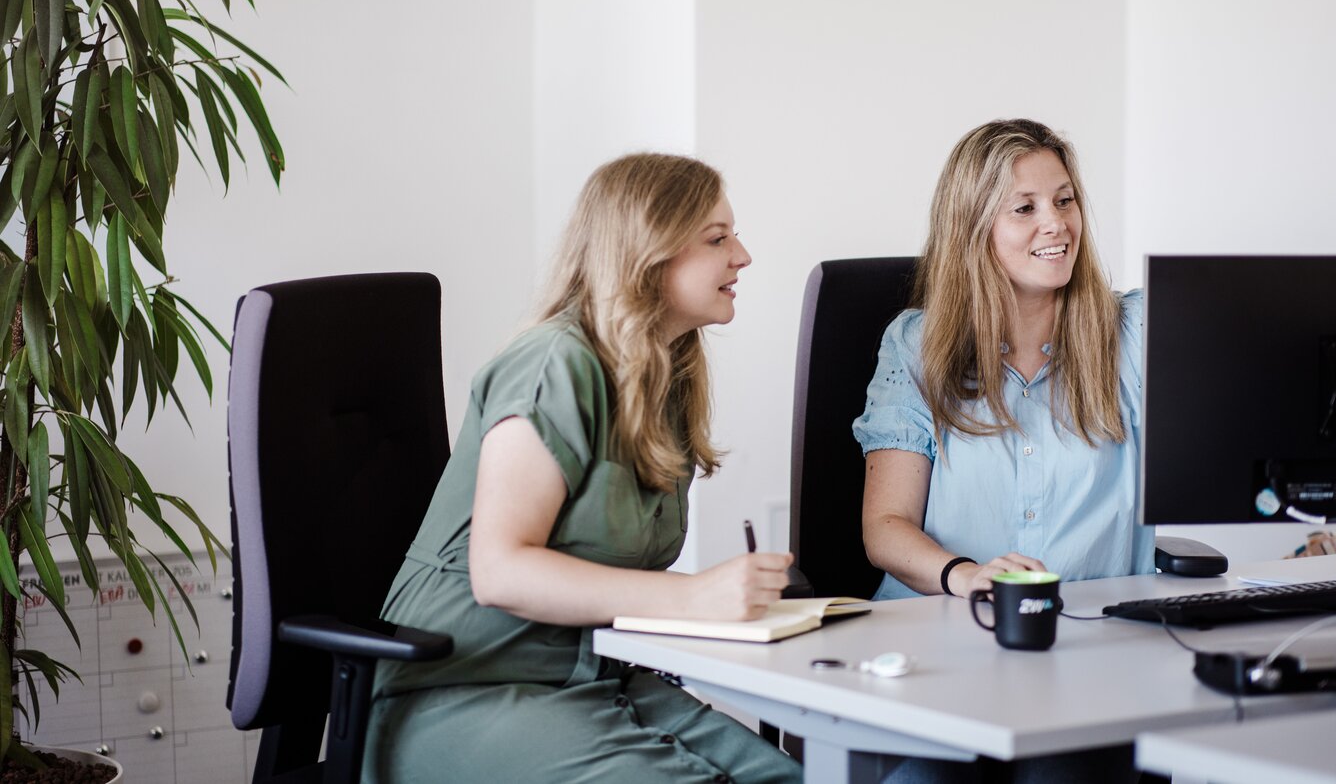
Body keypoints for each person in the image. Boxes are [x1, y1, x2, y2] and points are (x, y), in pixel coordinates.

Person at [364, 153, 802, 784]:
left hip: (598, 680)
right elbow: (499, 571)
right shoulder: (554, 364)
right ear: (647, 253)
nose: (743, 256)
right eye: (717, 239)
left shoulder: (666, 376)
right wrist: (693, 597)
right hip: (467, 690)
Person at [853, 120, 1155, 783]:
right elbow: (885, 527)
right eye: (1025, 207)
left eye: (1065, 200)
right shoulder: (916, 347)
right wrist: (966, 576)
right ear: (974, 227)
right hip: (936, 653)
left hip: (1087, 662)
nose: (1057, 224)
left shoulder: (1134, 334)